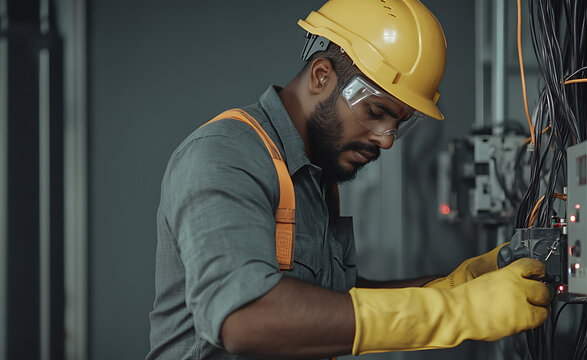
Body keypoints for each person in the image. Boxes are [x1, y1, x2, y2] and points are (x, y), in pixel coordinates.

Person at [146, 0, 550, 359]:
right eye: (376, 111)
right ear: (321, 76)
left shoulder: (312, 178)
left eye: (399, 124)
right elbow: (245, 317)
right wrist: (458, 313)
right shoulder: (225, 154)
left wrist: (454, 287)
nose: (387, 140)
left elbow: (329, 305)